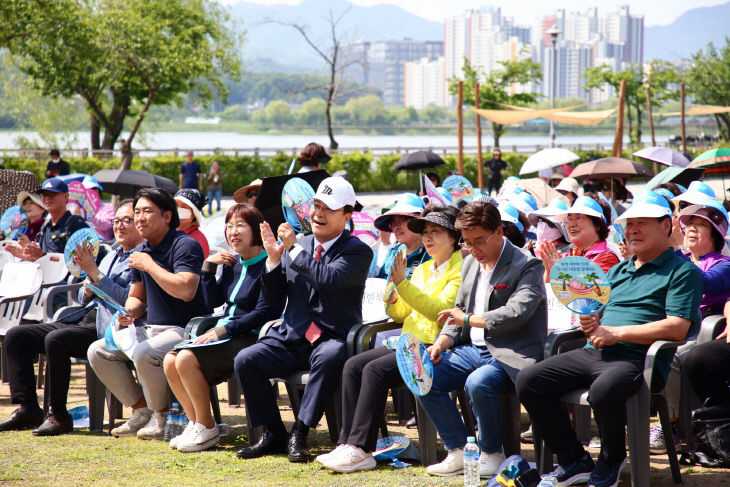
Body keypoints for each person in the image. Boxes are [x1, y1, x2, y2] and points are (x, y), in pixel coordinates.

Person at [516, 190, 703, 487]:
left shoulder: (683, 271)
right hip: (597, 351)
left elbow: (678, 328)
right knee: (529, 380)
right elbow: (597, 319)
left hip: (638, 361)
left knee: (603, 391)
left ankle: (612, 458)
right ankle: (574, 460)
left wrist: (616, 333)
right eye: (629, 224)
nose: (633, 230)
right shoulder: (618, 270)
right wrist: (591, 321)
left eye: (642, 223)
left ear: (667, 226)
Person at [233, 176, 372, 463]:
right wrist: (272, 261)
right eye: (316, 206)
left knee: (331, 355)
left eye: (329, 209)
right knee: (246, 360)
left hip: (330, 337)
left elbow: (327, 279)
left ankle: (300, 431)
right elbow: (271, 304)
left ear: (347, 215)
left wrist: (293, 248)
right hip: (291, 336)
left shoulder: (357, 250)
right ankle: (273, 432)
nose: (319, 214)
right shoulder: (297, 245)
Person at [316, 206, 463, 473]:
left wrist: (403, 285)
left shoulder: (459, 267)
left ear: (453, 237)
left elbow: (440, 311)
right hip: (408, 342)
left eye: (436, 232)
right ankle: (348, 442)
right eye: (426, 233)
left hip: (433, 345)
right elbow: (400, 312)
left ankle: (361, 449)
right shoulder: (425, 267)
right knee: (353, 365)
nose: (428, 238)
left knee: (375, 370)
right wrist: (392, 292)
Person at [416, 201, 546, 478]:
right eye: (467, 243)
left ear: (499, 233)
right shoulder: (470, 263)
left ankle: (490, 452)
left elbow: (516, 313)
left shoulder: (528, 264)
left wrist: (466, 320)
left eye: (479, 242)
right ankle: (459, 450)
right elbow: (458, 313)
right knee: (422, 373)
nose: (473, 249)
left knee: (478, 383)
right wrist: (441, 343)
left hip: (511, 350)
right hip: (472, 348)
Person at [0, 201, 143, 435]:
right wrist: (87, 288)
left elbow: (128, 300)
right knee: (17, 335)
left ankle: (58, 415)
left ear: (139, 223)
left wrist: (96, 275)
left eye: (127, 220)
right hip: (82, 316)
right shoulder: (112, 254)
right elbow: (81, 293)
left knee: (57, 339)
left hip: (109, 325)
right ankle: (28, 408)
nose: (120, 226)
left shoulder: (141, 257)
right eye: (116, 221)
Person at [87, 188, 210, 441]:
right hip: (151, 328)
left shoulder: (185, 245)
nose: (140, 218)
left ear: (166, 216)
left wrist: (149, 265)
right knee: (98, 351)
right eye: (137, 212)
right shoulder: (141, 251)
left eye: (147, 212)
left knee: (145, 353)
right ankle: (142, 411)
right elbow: (137, 298)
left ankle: (161, 417)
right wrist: (128, 312)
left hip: (185, 328)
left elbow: (186, 290)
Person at [163, 203, 284, 452]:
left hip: (250, 337)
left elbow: (265, 312)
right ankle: (195, 423)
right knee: (169, 361)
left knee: (185, 358)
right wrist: (208, 267)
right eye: (229, 226)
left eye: (240, 225)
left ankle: (207, 428)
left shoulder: (268, 265)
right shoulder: (233, 263)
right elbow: (213, 302)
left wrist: (224, 330)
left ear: (256, 231)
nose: (233, 232)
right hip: (223, 334)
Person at [650, 201, 730, 453]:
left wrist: (672, 249)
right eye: (689, 224)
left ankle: (669, 428)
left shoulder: (724, 263)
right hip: (671, 326)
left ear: (716, 233)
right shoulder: (680, 259)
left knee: (669, 356)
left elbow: (703, 282)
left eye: (701, 224)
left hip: (700, 335)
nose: (692, 228)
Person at [538, 194, 620, 283]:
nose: (572, 224)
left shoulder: (606, 258)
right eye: (569, 219)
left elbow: (595, 292)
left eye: (578, 218)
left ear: (597, 225)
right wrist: (549, 269)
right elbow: (546, 291)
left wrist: (560, 271)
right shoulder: (565, 257)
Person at [5, 178, 88, 261]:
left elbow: (81, 260)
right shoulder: (45, 226)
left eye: (52, 194)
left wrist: (42, 255)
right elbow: (43, 259)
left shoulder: (76, 224)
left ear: (66, 196)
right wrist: (28, 256)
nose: (47, 198)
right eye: (44, 195)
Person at [373, 193, 430, 281]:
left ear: (418, 220)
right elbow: (380, 282)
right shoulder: (394, 251)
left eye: (402, 220)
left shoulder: (430, 251)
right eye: (393, 223)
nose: (396, 227)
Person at [174, 189, 209, 258]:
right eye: (176, 205)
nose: (179, 210)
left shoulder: (198, 240)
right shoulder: (165, 232)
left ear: (194, 214)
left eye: (184, 207)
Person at [82, 175, 115, 241]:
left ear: (96, 191)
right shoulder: (80, 208)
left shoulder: (108, 208)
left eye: (88, 190)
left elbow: (107, 225)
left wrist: (90, 214)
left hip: (102, 244)